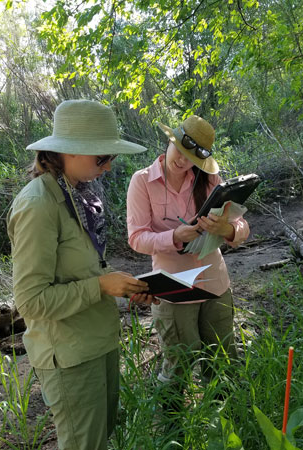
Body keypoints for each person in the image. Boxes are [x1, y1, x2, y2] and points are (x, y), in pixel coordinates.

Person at [7, 99, 156, 450]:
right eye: (101, 157)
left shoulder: (78, 193)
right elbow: (29, 301)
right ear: (69, 152)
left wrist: (119, 285)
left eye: (111, 158)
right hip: (70, 355)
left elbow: (85, 267)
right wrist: (100, 286)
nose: (107, 167)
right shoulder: (37, 205)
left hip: (97, 341)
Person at [126, 115, 250, 407]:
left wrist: (228, 230)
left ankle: (225, 426)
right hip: (173, 287)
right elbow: (136, 238)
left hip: (214, 282)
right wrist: (175, 236)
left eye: (192, 157)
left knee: (222, 360)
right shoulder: (142, 182)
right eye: (180, 151)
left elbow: (242, 226)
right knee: (178, 364)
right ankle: (172, 432)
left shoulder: (210, 182)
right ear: (170, 140)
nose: (182, 161)